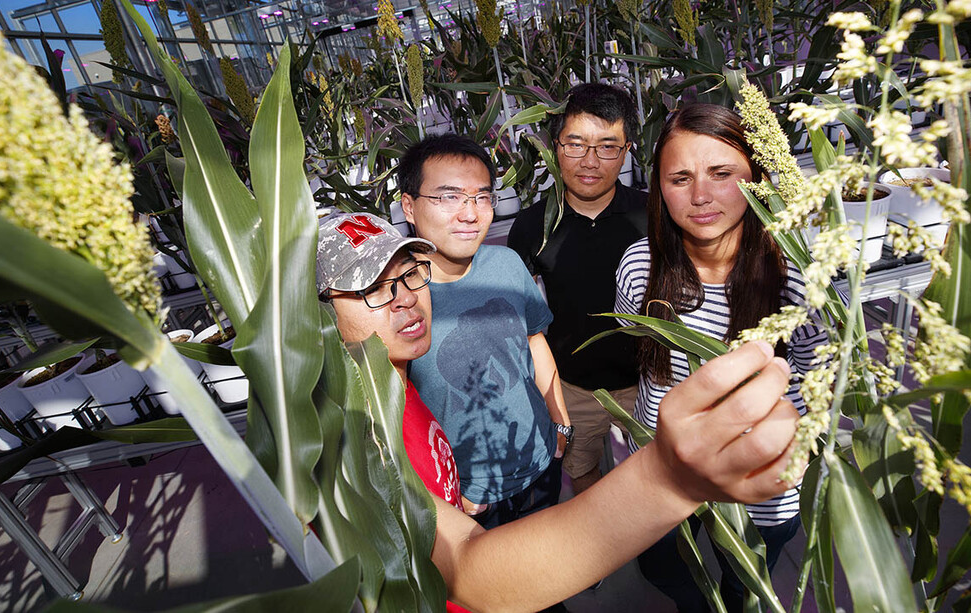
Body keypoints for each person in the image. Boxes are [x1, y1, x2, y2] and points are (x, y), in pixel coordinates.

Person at [317, 211, 800, 612]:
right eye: (372, 290)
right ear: (314, 317)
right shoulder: (359, 433)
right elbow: (465, 566)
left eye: (407, 274)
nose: (405, 298)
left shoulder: (394, 386)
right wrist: (666, 479)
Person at [614, 103, 826, 612]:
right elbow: (633, 341)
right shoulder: (640, 265)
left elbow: (820, 375)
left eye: (722, 173)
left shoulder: (796, 274)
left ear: (757, 178)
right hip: (664, 470)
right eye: (680, 178)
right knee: (662, 563)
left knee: (744, 581)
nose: (701, 196)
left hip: (759, 484)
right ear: (659, 190)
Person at [398, 134, 571, 528]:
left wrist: (559, 422)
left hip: (541, 462)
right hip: (469, 497)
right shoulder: (399, 298)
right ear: (409, 206)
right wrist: (438, 489)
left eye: (481, 197)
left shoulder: (506, 264)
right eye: (449, 197)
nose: (470, 213)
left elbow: (534, 340)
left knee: (550, 578)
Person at [507, 82, 647, 495]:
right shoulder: (532, 226)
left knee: (656, 472)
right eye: (575, 144)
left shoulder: (650, 215)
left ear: (625, 152)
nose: (590, 161)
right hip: (572, 387)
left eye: (607, 147)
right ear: (555, 147)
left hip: (644, 384)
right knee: (580, 468)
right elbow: (523, 322)